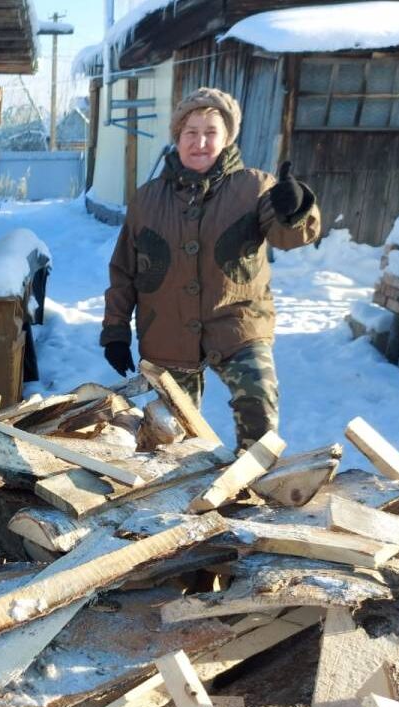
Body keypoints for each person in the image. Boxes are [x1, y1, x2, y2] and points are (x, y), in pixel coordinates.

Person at [99, 87, 321, 450]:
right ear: (177, 137)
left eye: (211, 132)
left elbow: (289, 235)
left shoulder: (255, 187)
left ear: (227, 137)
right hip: (167, 332)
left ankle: (253, 487)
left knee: (259, 404)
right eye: (191, 132)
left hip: (237, 323)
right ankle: (170, 495)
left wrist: (295, 209)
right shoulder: (148, 198)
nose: (200, 141)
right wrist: (115, 330)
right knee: (169, 431)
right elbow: (124, 269)